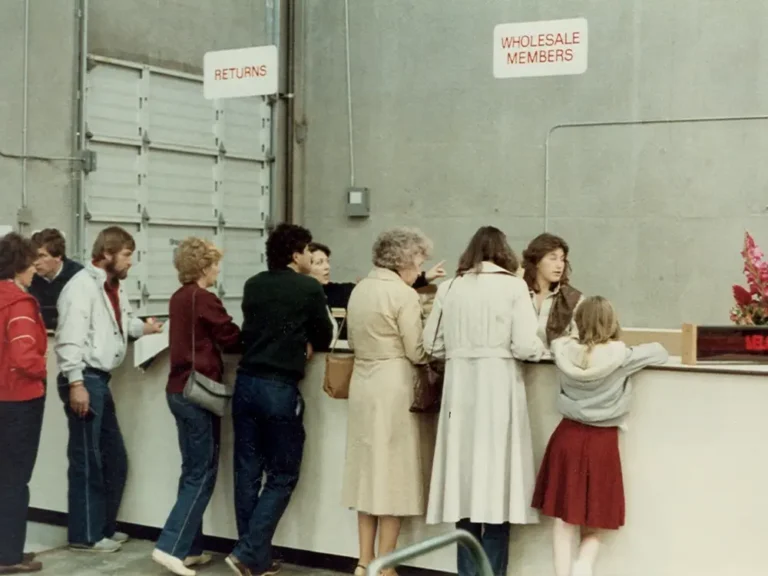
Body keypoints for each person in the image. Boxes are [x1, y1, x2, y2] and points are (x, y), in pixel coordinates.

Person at [423, 226, 546, 576]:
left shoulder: (451, 287)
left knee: (464, 484)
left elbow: (431, 343)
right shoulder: (514, 286)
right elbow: (525, 345)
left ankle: (466, 571)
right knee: (497, 487)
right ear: (504, 252)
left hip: (460, 388)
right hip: (499, 387)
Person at [531, 296, 668, 576]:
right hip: (602, 441)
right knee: (596, 518)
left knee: (563, 519)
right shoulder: (623, 357)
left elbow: (554, 341)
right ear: (612, 322)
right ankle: (583, 566)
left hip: (566, 437)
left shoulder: (562, 351)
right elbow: (660, 351)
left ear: (578, 322)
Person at [228, 223, 334, 576]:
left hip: (246, 383)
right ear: (295, 255)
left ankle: (253, 558)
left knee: (247, 473)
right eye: (306, 251)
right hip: (278, 387)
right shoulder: (308, 288)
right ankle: (247, 552)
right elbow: (324, 334)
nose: (309, 257)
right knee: (283, 474)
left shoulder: (253, 284)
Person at [55, 226, 163, 552]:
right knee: (88, 459)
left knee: (114, 458)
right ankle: (85, 536)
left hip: (99, 380)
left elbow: (120, 324)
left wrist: (142, 328)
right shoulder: (81, 289)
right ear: (107, 254)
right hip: (84, 378)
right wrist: (76, 382)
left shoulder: (113, 287)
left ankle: (102, 527)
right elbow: (70, 338)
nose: (131, 262)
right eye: (127, 255)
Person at [341, 227, 437, 576]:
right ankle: (386, 564)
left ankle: (363, 560)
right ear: (405, 260)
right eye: (419, 260)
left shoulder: (360, 290)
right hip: (394, 385)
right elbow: (417, 349)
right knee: (393, 475)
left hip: (363, 383)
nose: (420, 267)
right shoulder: (403, 295)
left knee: (366, 474)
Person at [152, 238, 242, 576]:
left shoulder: (178, 298)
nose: (218, 268)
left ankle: (189, 547)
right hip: (199, 390)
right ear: (204, 267)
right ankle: (171, 546)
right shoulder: (204, 298)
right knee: (202, 472)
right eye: (215, 263)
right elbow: (230, 335)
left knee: (192, 469)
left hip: (177, 390)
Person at [0, 233, 48, 574]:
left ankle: (8, 547)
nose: (35, 272)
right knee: (16, 479)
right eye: (31, 266)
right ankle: (10, 555)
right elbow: (23, 355)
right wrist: (43, 368)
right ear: (19, 267)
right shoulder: (19, 303)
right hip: (19, 399)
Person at [308, 242, 445, 339]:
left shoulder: (342, 290)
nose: (327, 267)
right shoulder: (300, 296)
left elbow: (387, 289)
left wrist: (424, 278)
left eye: (327, 261)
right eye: (319, 263)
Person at [522, 233, 584, 346]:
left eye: (562, 259)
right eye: (553, 258)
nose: (559, 265)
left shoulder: (573, 299)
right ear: (536, 261)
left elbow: (578, 339)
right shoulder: (519, 292)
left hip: (556, 362)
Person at [28, 228, 83, 330]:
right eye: (34, 257)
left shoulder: (78, 276)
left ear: (58, 256)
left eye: (42, 256)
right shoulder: (29, 277)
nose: (36, 262)